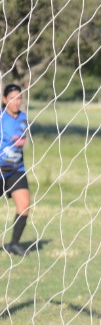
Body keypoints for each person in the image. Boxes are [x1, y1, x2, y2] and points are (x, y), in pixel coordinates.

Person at [1, 84, 30, 256]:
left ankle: (14, 244)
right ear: (5, 100)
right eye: (12, 98)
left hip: (16, 170)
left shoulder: (23, 119)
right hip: (0, 170)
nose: (16, 102)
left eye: (19, 98)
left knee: (24, 205)